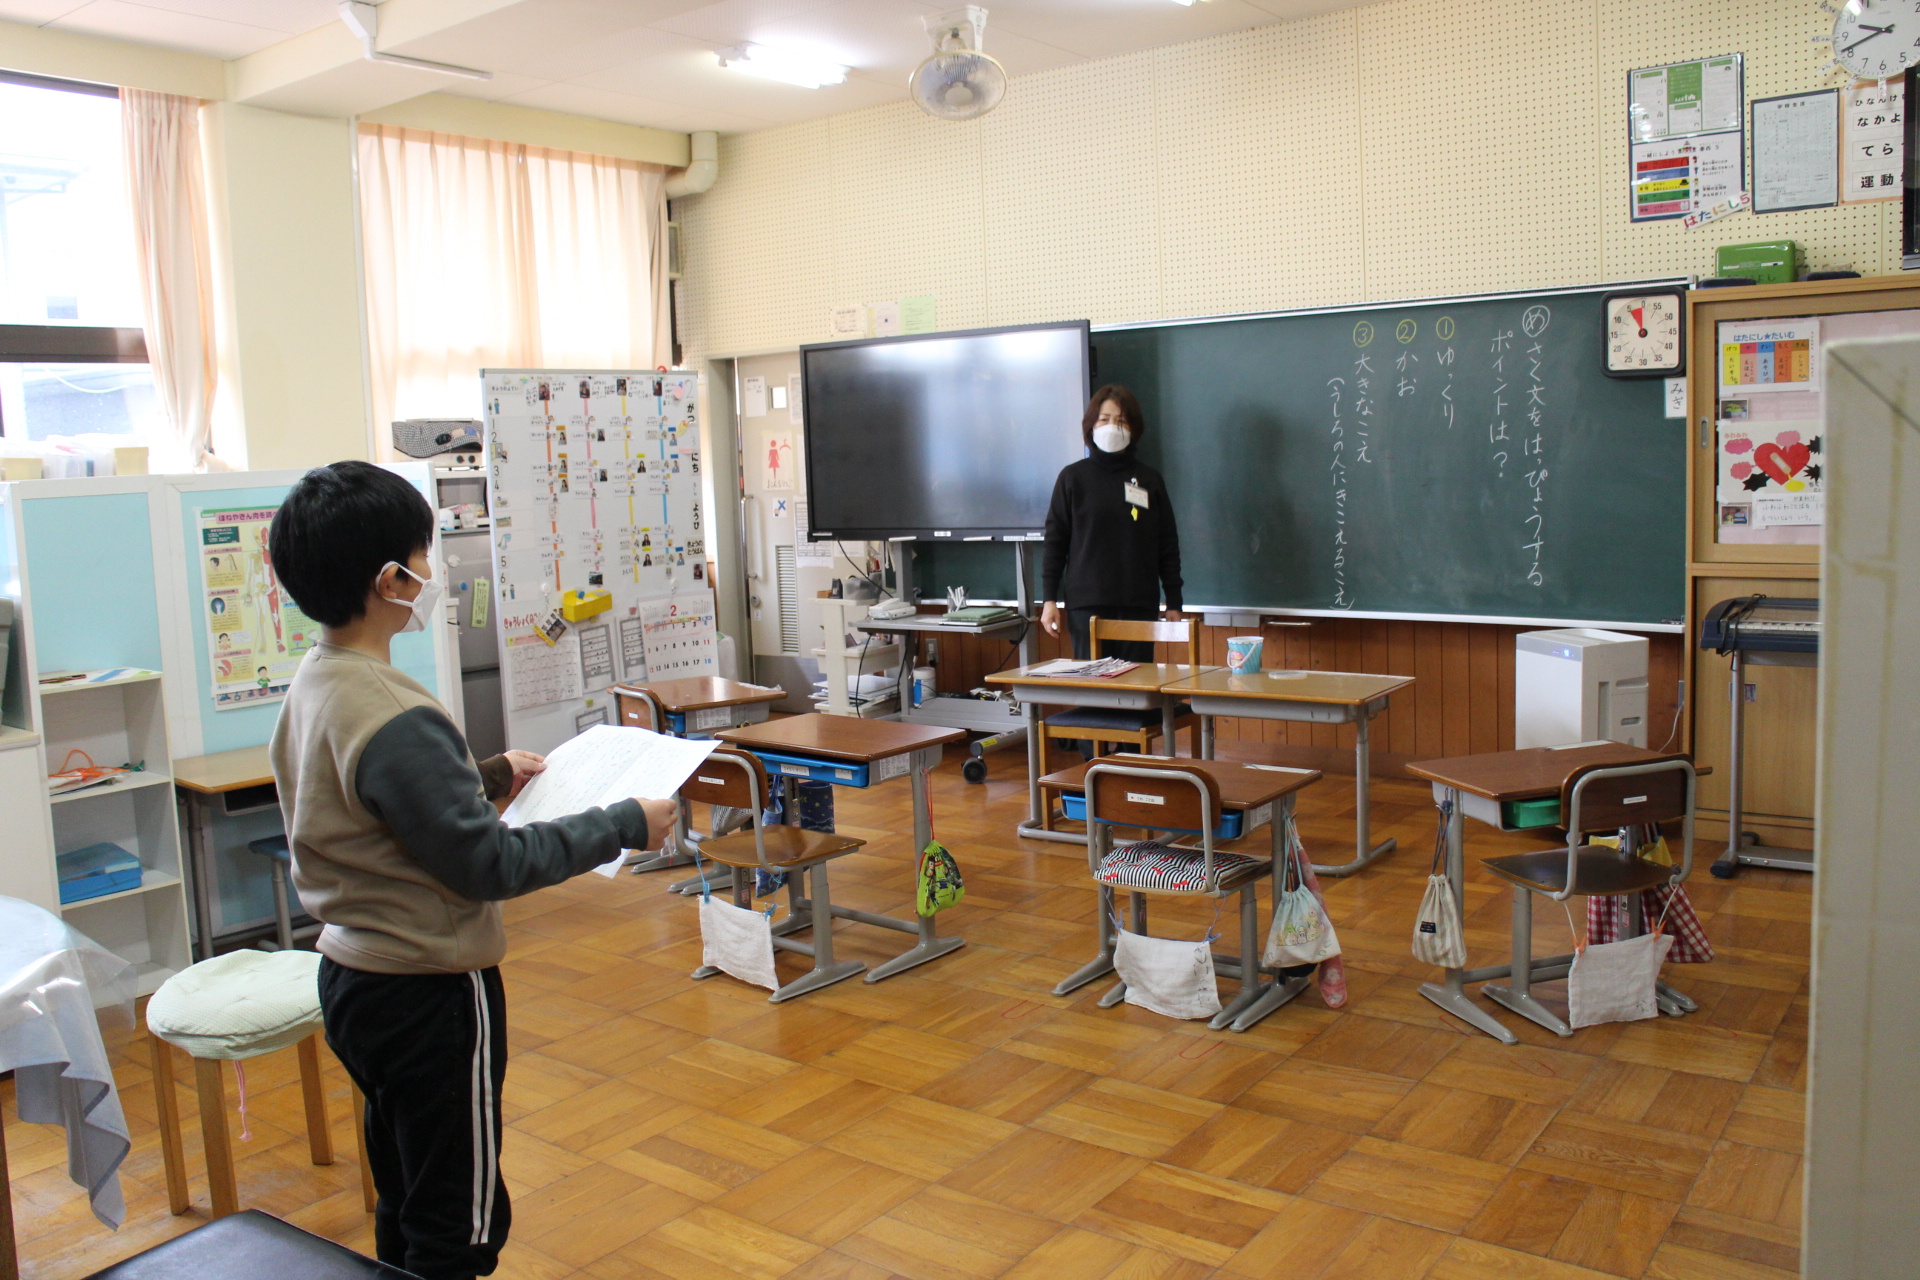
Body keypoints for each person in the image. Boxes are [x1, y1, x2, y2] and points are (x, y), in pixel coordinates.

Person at [266, 461, 675, 1280]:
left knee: (406, 1187)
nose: (435, 572)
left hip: (352, 977)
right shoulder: (396, 711)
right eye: (425, 557)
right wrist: (624, 824)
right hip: (429, 993)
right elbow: (489, 864)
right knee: (458, 1218)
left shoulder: (319, 682)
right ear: (391, 580)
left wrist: (484, 777)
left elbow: (373, 805)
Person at [1040, 384, 1184, 662]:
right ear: (1091, 425)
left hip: (1139, 604)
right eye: (1104, 419)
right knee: (1094, 685)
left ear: (1134, 428)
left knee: (1137, 684)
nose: (1112, 427)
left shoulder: (1149, 479)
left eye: (1121, 421)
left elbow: (1167, 543)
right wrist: (1049, 600)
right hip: (1086, 605)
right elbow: (1055, 543)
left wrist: (1174, 601)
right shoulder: (1072, 478)